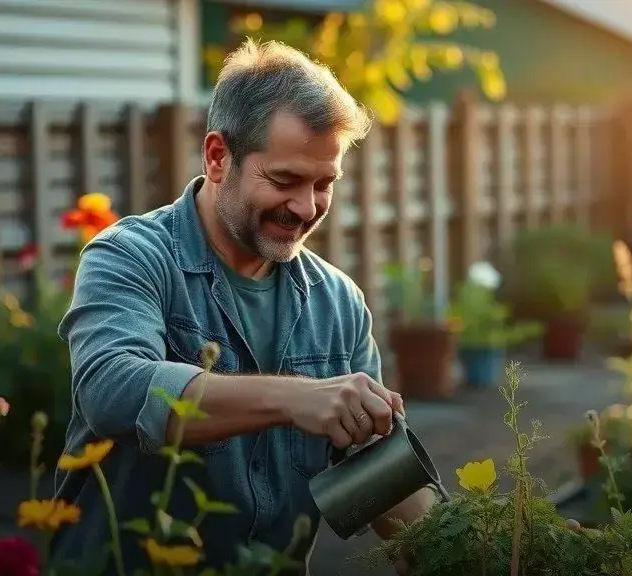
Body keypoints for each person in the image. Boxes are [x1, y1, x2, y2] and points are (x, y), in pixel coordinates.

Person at [52, 39, 434, 574]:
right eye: (284, 180)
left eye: (324, 184)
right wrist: (292, 399)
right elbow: (113, 392)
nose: (306, 208)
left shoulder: (338, 302)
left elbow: (379, 475)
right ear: (217, 157)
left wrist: (477, 546)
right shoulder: (130, 256)